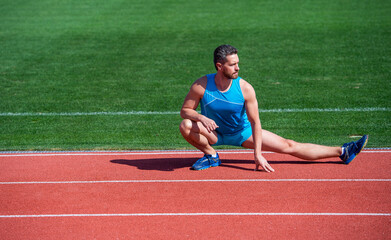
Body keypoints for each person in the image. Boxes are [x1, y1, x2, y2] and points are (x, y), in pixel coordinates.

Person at [179, 44, 368, 172]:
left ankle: (343, 151)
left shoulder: (245, 89)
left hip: (242, 132)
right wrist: (201, 118)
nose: (238, 68)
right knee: (186, 125)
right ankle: (211, 155)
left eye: (238, 63)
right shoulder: (202, 85)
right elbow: (184, 111)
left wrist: (258, 155)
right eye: (233, 65)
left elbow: (255, 122)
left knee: (289, 145)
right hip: (214, 133)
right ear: (220, 66)